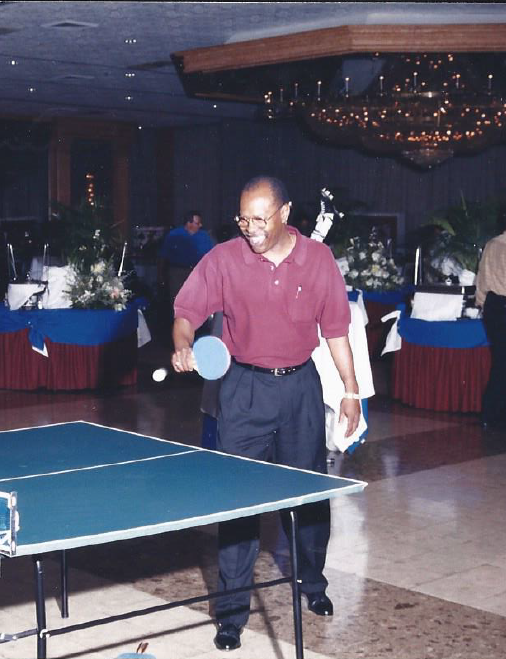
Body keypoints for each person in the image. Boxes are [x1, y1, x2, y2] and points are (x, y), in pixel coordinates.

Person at [170, 176, 360, 651]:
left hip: (300, 389)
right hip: (243, 390)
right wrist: (182, 343)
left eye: (259, 218)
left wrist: (351, 392)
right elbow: (186, 311)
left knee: (311, 496)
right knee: (239, 505)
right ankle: (232, 613)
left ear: (285, 213)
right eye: (243, 218)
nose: (249, 228)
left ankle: (313, 585)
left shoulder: (318, 260)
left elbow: (337, 330)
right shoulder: (223, 258)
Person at [475, 202, 506, 431]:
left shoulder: (491, 244)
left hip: (492, 312)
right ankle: (493, 414)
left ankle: (505, 414)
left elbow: (481, 280)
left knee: (505, 364)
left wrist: (483, 305)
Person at [159, 210, 215, 305]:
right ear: (189, 223)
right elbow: (163, 256)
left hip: (197, 273)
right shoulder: (174, 235)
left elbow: (212, 256)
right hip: (177, 273)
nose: (200, 225)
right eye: (197, 223)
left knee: (196, 301)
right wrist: (161, 276)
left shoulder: (204, 236)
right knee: (177, 301)